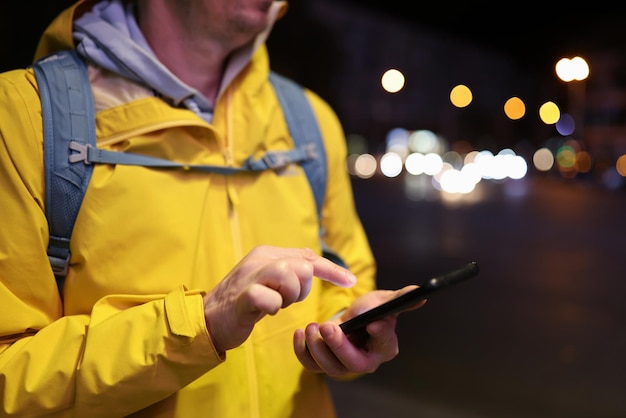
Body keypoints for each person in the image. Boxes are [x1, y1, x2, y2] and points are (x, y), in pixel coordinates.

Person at [0, 0, 423, 416]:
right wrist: (201, 324)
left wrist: (348, 327)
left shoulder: (310, 120)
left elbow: (345, 278)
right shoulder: (22, 116)